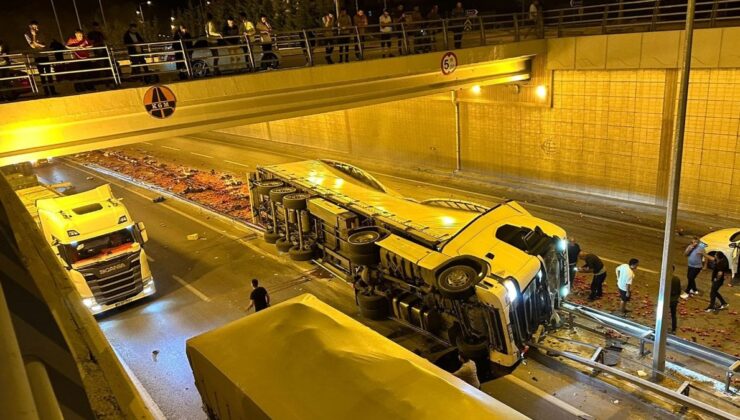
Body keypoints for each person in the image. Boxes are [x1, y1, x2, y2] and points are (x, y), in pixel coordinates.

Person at [24, 20, 57, 96]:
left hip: (45, 55)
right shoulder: (27, 34)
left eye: (37, 27)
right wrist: (34, 36)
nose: (36, 28)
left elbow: (44, 45)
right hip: (37, 56)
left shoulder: (41, 33)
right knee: (42, 75)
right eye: (34, 27)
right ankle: (46, 92)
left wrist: (36, 43)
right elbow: (32, 46)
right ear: (30, 27)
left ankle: (53, 91)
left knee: (49, 75)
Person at [669, 265, 681, 334]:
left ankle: (661, 327)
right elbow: (679, 290)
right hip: (674, 300)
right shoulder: (677, 279)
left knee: (663, 314)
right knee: (673, 315)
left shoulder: (666, 279)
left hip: (667, 300)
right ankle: (674, 329)